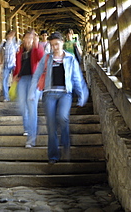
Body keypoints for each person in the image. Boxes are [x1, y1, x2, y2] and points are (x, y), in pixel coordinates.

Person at [29, 31, 88, 163]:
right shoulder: (46, 58)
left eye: (56, 44)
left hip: (65, 93)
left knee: (62, 117)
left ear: (62, 43)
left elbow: (77, 78)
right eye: (52, 45)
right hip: (49, 93)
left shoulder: (70, 58)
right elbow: (36, 76)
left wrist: (82, 96)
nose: (54, 47)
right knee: (51, 125)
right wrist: (32, 92)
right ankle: (53, 156)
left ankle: (66, 143)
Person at [13, 30, 44, 148]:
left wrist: (37, 45)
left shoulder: (36, 49)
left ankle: (31, 139)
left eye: (30, 38)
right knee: (22, 106)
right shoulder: (20, 51)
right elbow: (17, 65)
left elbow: (41, 58)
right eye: (26, 38)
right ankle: (27, 127)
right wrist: (15, 75)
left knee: (32, 108)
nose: (28, 40)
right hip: (22, 80)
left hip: (33, 80)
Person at [0, 30, 19, 101]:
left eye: (12, 35)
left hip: (14, 64)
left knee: (17, 80)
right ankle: (6, 96)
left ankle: (17, 95)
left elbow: (19, 52)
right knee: (4, 80)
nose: (11, 36)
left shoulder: (16, 43)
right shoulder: (3, 43)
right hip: (6, 64)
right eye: (10, 35)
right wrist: (0, 60)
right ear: (7, 35)